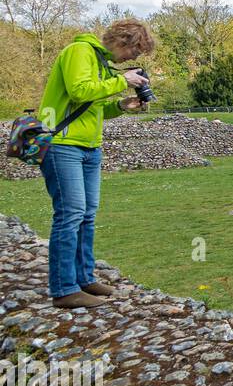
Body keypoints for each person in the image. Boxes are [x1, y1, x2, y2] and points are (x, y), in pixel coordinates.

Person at [37, 19, 155, 309]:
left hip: (90, 146)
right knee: (71, 213)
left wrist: (120, 106)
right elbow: (79, 91)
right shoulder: (80, 51)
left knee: (87, 214)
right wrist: (122, 80)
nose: (132, 59)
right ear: (123, 41)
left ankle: (84, 278)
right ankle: (64, 289)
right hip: (63, 144)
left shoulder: (100, 62)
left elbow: (91, 106)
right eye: (134, 52)